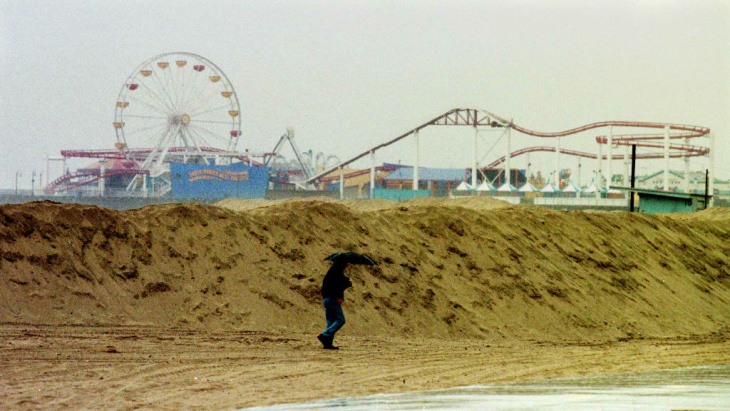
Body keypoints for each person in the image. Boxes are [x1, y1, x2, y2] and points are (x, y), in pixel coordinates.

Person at [317, 260, 352, 350]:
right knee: (340, 320)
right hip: (332, 298)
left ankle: (327, 344)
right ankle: (325, 335)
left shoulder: (331, 272)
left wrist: (345, 283)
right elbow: (337, 287)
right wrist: (344, 286)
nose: (346, 265)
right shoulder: (337, 272)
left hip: (326, 298)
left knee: (331, 322)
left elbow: (330, 286)